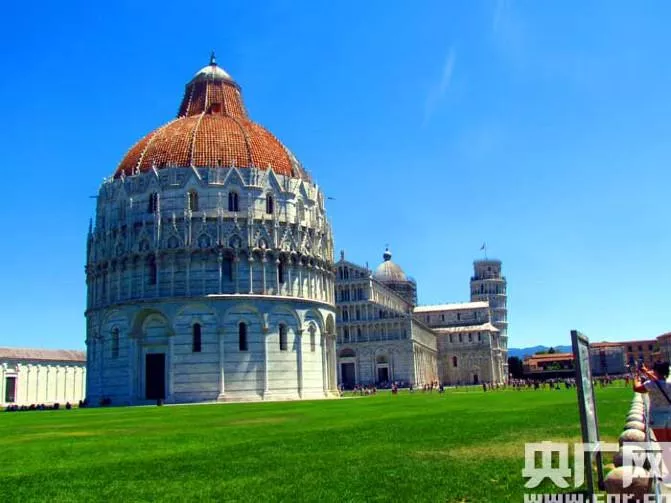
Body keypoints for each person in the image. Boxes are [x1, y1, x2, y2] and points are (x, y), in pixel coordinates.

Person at [634, 361, 671, 441]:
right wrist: (646, 372)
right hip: (670, 414)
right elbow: (659, 381)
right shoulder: (669, 382)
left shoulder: (650, 384)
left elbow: (636, 388)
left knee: (664, 445)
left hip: (657, 417)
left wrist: (636, 377)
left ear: (656, 371)